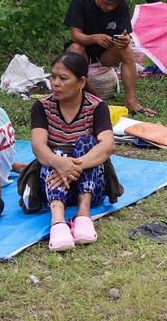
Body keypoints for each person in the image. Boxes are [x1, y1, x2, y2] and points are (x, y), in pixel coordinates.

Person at [31, 53, 121, 251]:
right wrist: (59, 162)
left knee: (87, 142)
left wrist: (71, 165)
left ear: (81, 82)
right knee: (55, 152)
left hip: (90, 186)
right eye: (52, 77)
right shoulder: (42, 107)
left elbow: (108, 145)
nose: (55, 83)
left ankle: (83, 213)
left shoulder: (97, 107)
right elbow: (38, 146)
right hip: (51, 186)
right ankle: (58, 219)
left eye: (63, 78)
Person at [64, 0, 157, 117]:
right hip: (81, 52)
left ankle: (131, 102)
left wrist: (125, 39)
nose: (109, 8)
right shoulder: (81, 1)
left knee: (126, 50)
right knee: (76, 48)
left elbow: (125, 33)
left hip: (104, 54)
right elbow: (75, 35)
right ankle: (87, 99)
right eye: (106, 3)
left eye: (113, 5)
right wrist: (93, 38)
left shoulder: (121, 7)